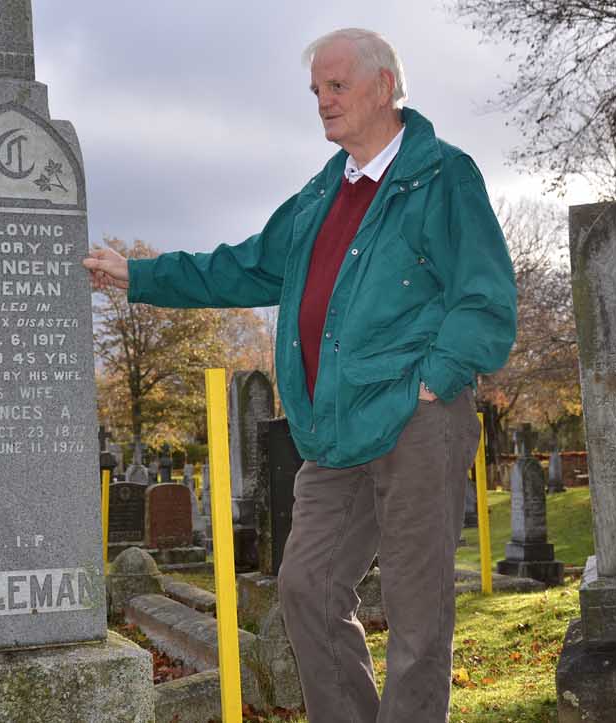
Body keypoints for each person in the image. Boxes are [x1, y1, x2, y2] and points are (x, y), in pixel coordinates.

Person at [83, 28, 516, 722]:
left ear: (383, 87)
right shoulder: (321, 193)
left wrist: (434, 379)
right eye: (316, 90)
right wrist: (138, 274)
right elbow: (245, 265)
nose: (322, 101)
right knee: (307, 586)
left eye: (336, 86)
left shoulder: (442, 176)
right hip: (333, 430)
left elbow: (486, 298)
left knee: (416, 616)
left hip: (415, 421)